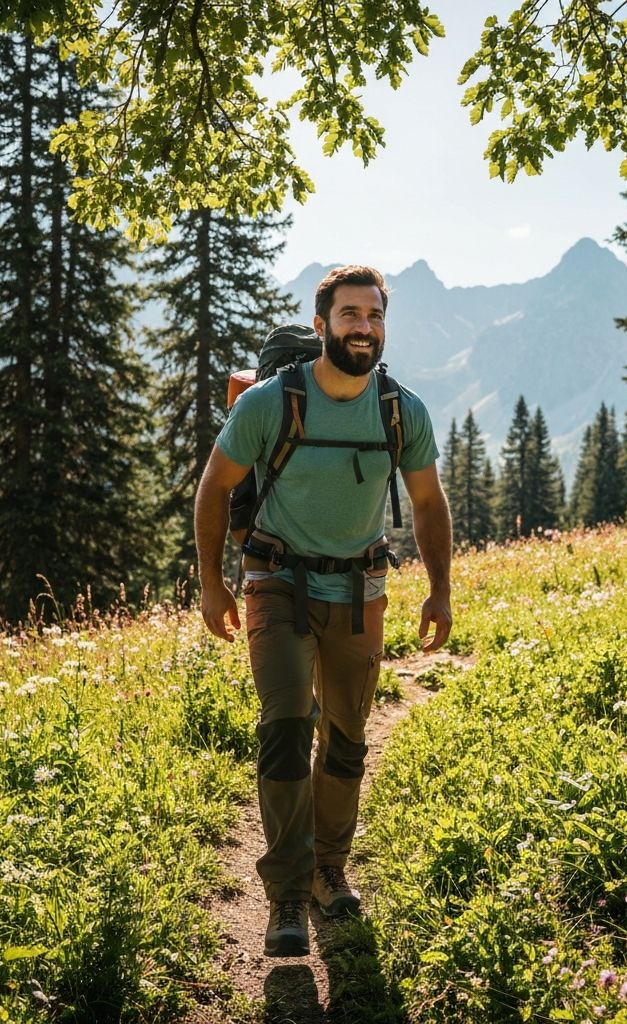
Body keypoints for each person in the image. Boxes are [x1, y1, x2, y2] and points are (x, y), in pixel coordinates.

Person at [194, 264, 453, 957]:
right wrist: (212, 582)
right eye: (348, 315)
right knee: (285, 727)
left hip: (361, 592)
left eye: (372, 316)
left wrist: (440, 589)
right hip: (275, 582)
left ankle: (328, 867)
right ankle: (285, 891)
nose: (362, 328)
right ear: (321, 326)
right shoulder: (271, 403)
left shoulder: (402, 410)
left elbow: (428, 503)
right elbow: (215, 487)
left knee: (346, 739)